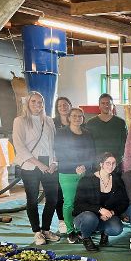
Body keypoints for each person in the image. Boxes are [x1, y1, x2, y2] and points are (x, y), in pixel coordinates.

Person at [13, 92, 61, 246]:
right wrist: (38, 164)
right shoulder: (20, 121)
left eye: (40, 102)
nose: (37, 105)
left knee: (53, 198)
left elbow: (54, 144)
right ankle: (37, 232)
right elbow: (19, 146)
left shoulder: (48, 121)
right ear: (27, 103)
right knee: (32, 199)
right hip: (30, 164)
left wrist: (55, 161)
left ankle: (46, 229)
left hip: (49, 164)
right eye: (33, 101)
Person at [54, 107, 95, 244]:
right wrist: (74, 167)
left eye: (80, 116)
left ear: (83, 118)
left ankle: (82, 228)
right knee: (70, 202)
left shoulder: (88, 133)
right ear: (69, 117)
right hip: (67, 172)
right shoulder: (61, 133)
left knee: (83, 202)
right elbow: (60, 153)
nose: (77, 118)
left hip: (84, 173)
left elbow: (91, 153)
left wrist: (85, 167)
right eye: (74, 116)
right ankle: (71, 231)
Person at [73, 153, 128, 252]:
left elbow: (124, 202)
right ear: (101, 164)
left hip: (105, 218)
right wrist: (100, 210)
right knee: (90, 217)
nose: (111, 166)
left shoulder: (117, 180)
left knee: (116, 228)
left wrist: (112, 212)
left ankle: (104, 233)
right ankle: (86, 238)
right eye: (107, 163)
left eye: (113, 163)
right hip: (85, 217)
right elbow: (78, 205)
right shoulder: (86, 180)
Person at [85, 93, 127, 170]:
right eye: (103, 103)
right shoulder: (91, 123)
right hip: (97, 165)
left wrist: (116, 161)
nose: (106, 105)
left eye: (108, 103)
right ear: (99, 106)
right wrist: (94, 161)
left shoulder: (120, 123)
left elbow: (124, 144)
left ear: (112, 105)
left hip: (115, 164)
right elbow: (88, 145)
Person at [53, 96, 73, 234]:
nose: (63, 107)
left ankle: (74, 218)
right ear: (56, 108)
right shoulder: (52, 123)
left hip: (75, 164)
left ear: (70, 105)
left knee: (74, 193)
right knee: (59, 192)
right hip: (59, 163)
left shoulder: (78, 122)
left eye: (65, 104)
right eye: (60, 105)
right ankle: (61, 221)